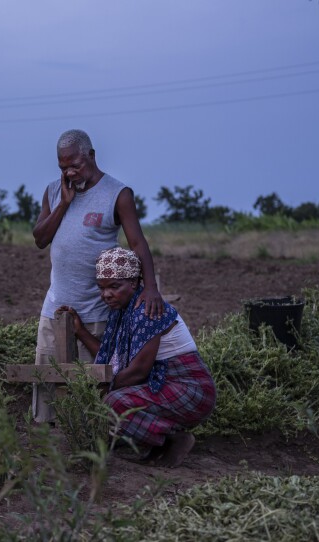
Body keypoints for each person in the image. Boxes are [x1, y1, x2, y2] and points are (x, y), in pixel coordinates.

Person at [32, 129, 163, 423]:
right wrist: (64, 203)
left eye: (75, 165)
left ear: (91, 156)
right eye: (63, 166)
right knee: (47, 381)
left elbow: (138, 244)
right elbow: (40, 238)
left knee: (96, 384)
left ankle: (92, 441)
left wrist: (150, 287)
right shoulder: (54, 191)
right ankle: (47, 443)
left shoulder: (117, 194)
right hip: (55, 307)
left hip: (97, 310)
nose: (70, 172)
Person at [59, 247, 216, 468]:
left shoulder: (147, 310)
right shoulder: (123, 311)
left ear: (133, 283)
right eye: (101, 288)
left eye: (114, 286)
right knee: (112, 400)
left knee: (114, 402)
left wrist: (98, 393)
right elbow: (112, 361)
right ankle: (162, 442)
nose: (106, 295)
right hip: (166, 386)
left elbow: (138, 371)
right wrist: (82, 332)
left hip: (191, 389)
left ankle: (174, 439)